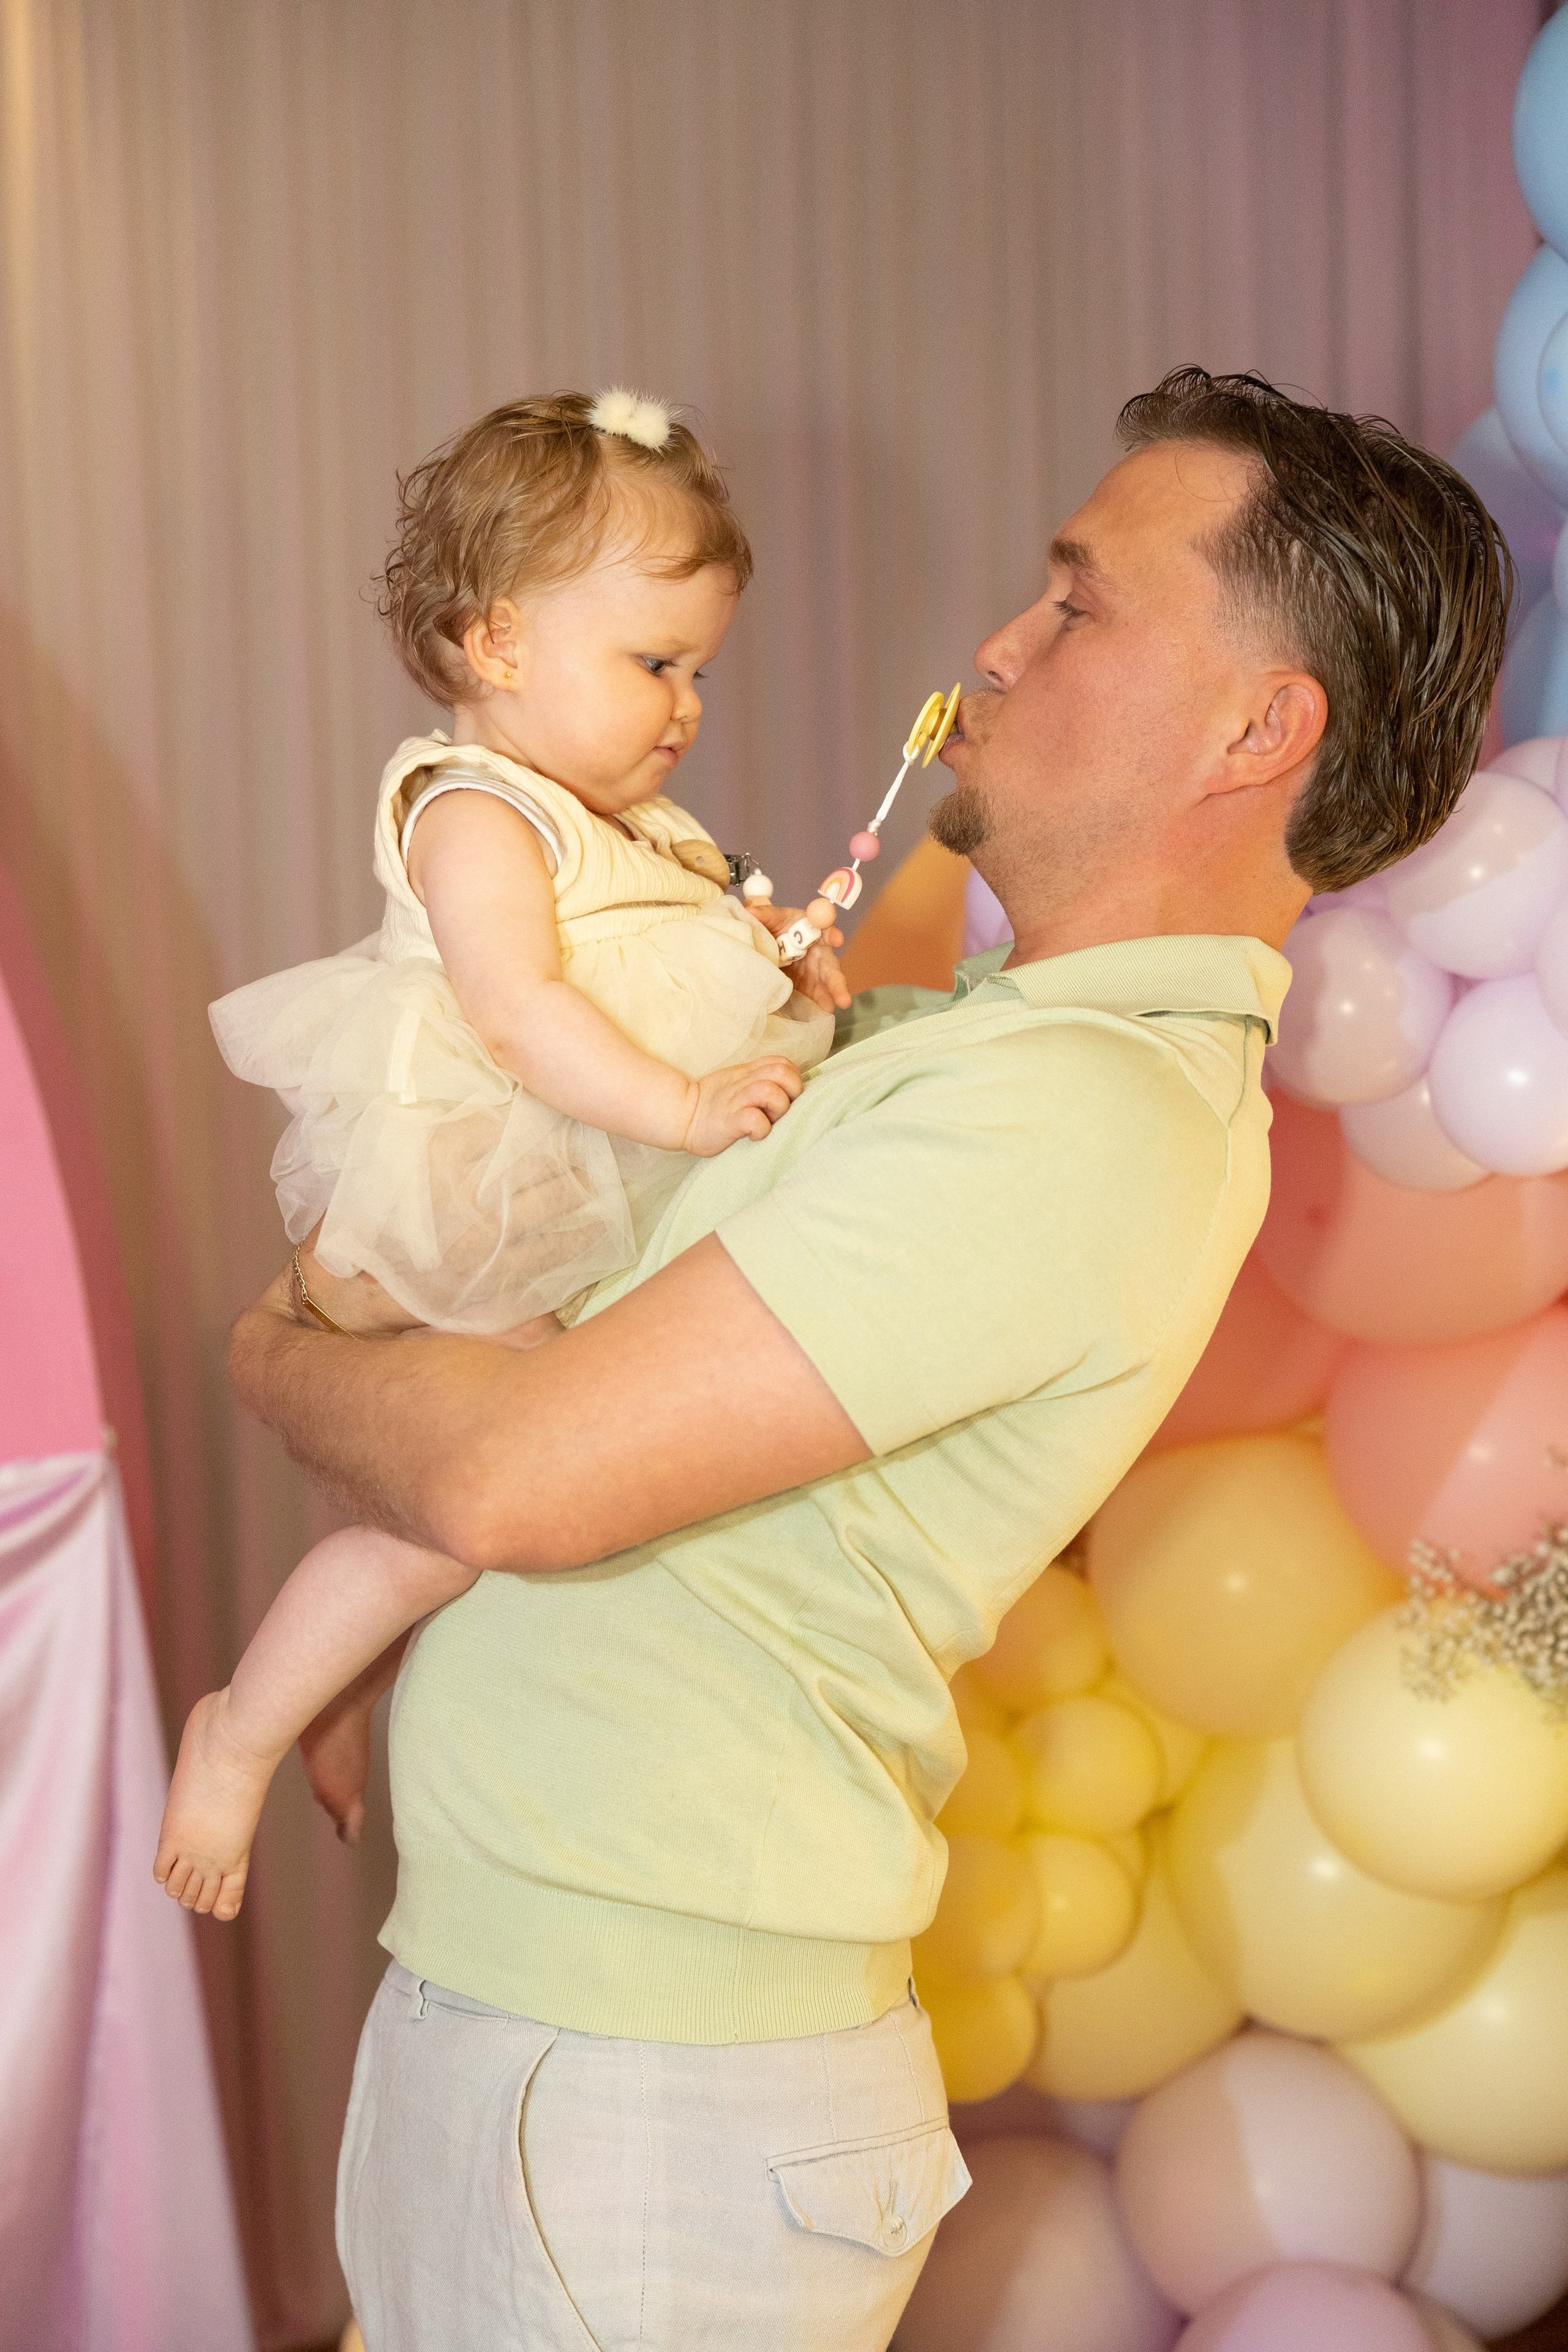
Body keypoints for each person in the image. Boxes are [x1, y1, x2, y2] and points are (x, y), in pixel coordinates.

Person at [224, 370, 1510, 2352]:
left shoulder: (1082, 1111)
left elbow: (510, 1479)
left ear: (1260, 727)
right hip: (567, 2027)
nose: (997, 643)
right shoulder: (977, 1039)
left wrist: (272, 1352)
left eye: (1077, 603)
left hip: (644, 2082)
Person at [154, 388, 849, 1922]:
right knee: (463, 1515)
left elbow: (676, 974)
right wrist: (684, 1108)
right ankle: (240, 1729)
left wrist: (783, 976)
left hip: (545, 1219)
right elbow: (524, 1015)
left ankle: (334, 1693)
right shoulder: (476, 814)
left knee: (434, 1498)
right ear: (496, 643)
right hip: (453, 1212)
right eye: (651, 663)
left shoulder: (649, 832)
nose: (684, 705)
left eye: (700, 671)